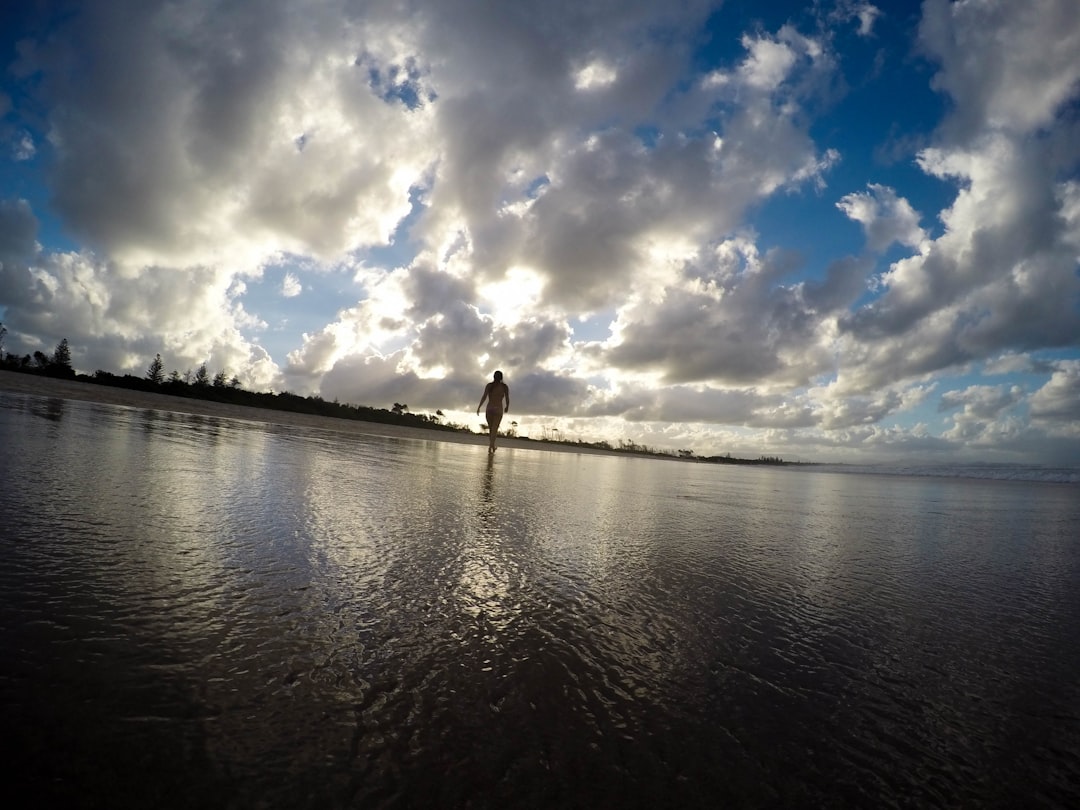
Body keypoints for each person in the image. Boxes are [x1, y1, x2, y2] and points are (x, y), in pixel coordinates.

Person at [476, 370, 510, 454]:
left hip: (489, 408)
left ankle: (492, 446)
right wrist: (507, 407)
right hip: (498, 409)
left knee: (492, 429)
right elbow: (507, 398)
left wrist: (479, 407)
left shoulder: (489, 385)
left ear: (493, 377)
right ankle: (491, 446)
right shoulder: (504, 387)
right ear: (501, 377)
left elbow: (484, 396)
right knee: (494, 429)